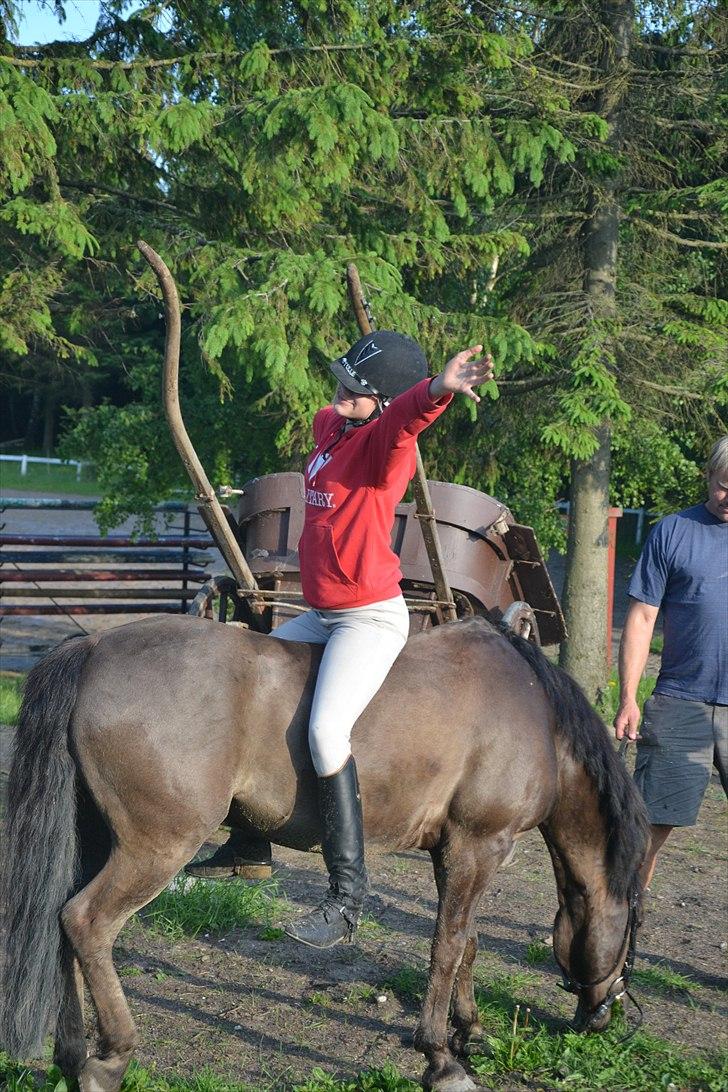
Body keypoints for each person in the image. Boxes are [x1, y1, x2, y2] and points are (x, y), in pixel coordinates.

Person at [189, 330, 494, 947]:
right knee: (254, 692)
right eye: (342, 382)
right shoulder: (331, 425)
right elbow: (348, 406)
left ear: (382, 401)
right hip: (322, 610)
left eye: (357, 389)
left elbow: (407, 421)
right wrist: (365, 375)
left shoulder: (386, 452)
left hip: (368, 618)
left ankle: (347, 898)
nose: (341, 393)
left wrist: (435, 390)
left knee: (327, 731)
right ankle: (248, 846)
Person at [614, 435, 728, 890]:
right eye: (724, 485)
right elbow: (641, 618)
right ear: (709, 477)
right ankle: (622, 936)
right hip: (681, 699)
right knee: (648, 828)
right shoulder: (674, 532)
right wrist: (628, 698)